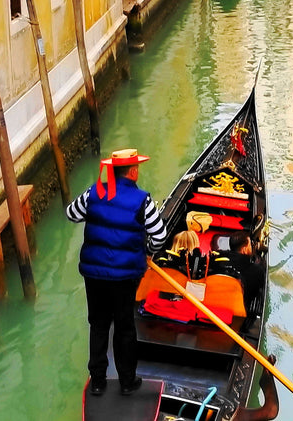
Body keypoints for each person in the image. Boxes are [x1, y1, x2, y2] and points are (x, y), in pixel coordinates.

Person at [66, 148, 168, 397]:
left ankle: (98, 382)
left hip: (94, 274)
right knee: (124, 327)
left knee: (98, 324)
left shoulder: (93, 192)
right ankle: (126, 381)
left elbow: (72, 214)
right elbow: (160, 235)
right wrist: (149, 251)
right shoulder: (142, 200)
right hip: (125, 276)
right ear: (133, 171)